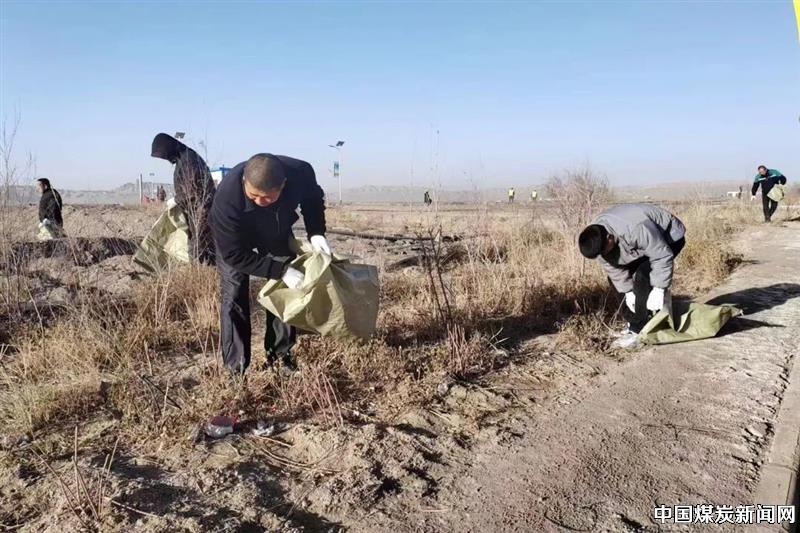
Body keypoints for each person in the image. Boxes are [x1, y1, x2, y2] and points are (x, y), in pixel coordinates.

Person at [210, 153, 328, 375]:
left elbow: (312, 200)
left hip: (274, 228)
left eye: (267, 197)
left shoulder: (301, 172)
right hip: (236, 238)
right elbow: (234, 254)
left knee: (283, 291)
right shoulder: (227, 198)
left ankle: (280, 358)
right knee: (233, 293)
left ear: (283, 185)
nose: (259, 202)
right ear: (244, 180)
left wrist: (316, 233)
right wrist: (280, 270)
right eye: (254, 195)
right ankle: (235, 369)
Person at [578, 203, 686, 349]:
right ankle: (633, 322)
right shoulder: (597, 241)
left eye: (604, 252)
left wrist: (659, 288)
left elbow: (661, 255)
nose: (603, 256)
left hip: (669, 236)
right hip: (638, 244)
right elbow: (615, 271)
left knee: (643, 274)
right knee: (616, 282)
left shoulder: (635, 228)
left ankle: (639, 329)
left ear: (609, 238)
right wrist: (628, 292)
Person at [151, 133, 216, 264]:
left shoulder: (189, 160)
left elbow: (192, 191)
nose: (167, 159)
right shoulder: (183, 159)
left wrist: (175, 200)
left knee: (199, 249)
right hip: (196, 213)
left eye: (165, 155)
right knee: (201, 248)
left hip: (202, 213)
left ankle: (202, 274)